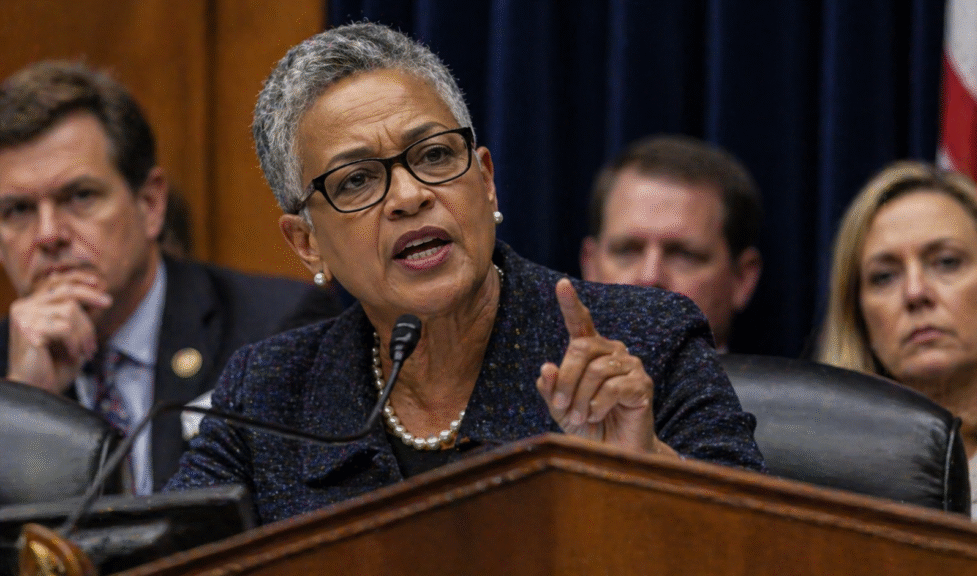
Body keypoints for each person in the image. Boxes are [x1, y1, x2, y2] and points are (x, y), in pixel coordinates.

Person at [166, 22, 764, 525]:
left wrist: (649, 472)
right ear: (306, 243)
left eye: (432, 156)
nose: (407, 196)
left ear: (484, 180)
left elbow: (763, 549)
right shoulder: (267, 392)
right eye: (356, 181)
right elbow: (162, 555)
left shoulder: (645, 341)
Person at [0, 61, 343, 494]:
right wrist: (25, 409)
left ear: (150, 204)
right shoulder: (9, 384)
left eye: (79, 196)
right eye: (17, 211)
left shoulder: (274, 331)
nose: (48, 235)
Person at [815, 160, 977, 522]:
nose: (915, 293)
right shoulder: (814, 474)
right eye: (884, 276)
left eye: (946, 262)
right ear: (859, 319)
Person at [580, 135, 762, 352]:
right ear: (590, 266)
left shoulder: (795, 386)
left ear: (742, 279)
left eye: (684, 255)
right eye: (627, 251)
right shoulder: (538, 384)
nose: (650, 277)